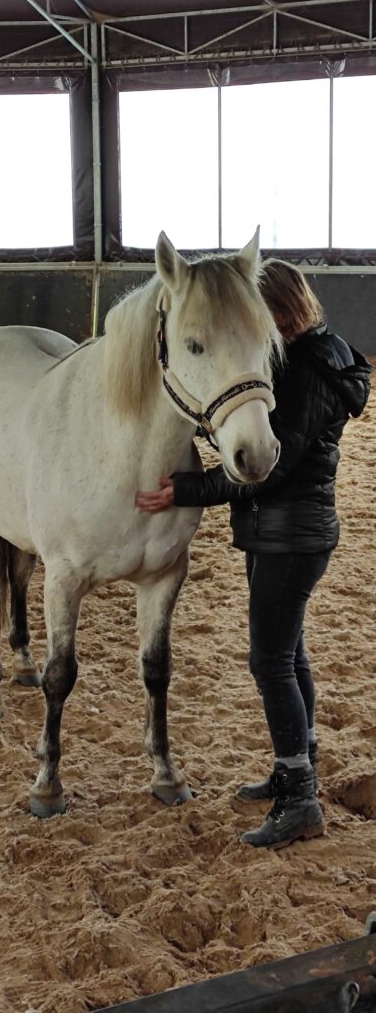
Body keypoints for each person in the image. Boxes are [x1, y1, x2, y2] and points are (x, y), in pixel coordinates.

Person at [136, 259, 372, 850]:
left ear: (281, 310)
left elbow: (267, 468)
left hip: (290, 535)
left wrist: (184, 490)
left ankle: (300, 799)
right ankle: (297, 764)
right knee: (290, 655)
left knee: (269, 662)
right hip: (289, 533)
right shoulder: (318, 353)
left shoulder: (306, 371)